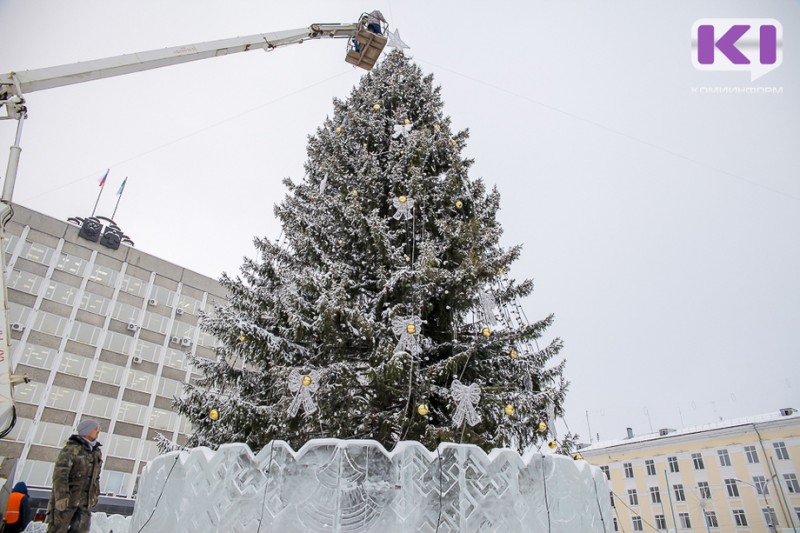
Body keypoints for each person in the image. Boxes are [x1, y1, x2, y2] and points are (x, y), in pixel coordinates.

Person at [46, 419, 103, 533]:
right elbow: (60, 474)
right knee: (58, 530)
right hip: (68, 501)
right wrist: (61, 496)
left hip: (84, 503)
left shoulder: (96, 452)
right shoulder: (72, 449)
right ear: (87, 431)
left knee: (82, 529)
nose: (98, 431)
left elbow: (95, 478)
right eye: (95, 428)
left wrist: (95, 494)